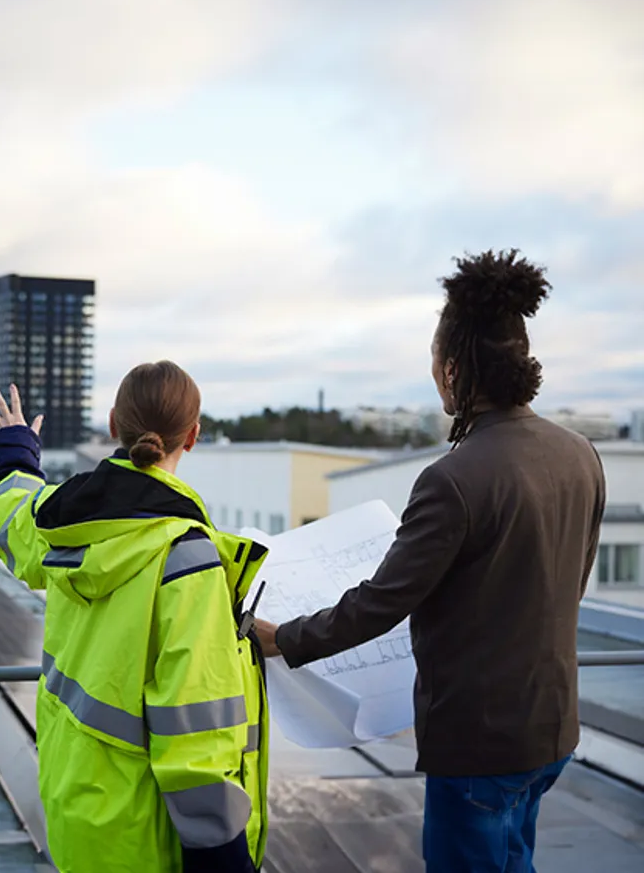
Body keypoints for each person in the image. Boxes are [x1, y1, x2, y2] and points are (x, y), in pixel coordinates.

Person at [255, 249, 606, 873]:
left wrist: (284, 638)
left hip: (478, 747)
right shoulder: (580, 453)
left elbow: (382, 602)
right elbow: (570, 585)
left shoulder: (453, 478)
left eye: (434, 368)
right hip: (552, 731)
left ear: (452, 370)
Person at [0, 361, 270, 873]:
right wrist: (222, 855)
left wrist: (17, 448)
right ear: (194, 436)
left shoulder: (62, 522)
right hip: (148, 836)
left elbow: (9, 523)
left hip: (77, 814)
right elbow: (194, 731)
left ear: (114, 423)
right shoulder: (186, 558)